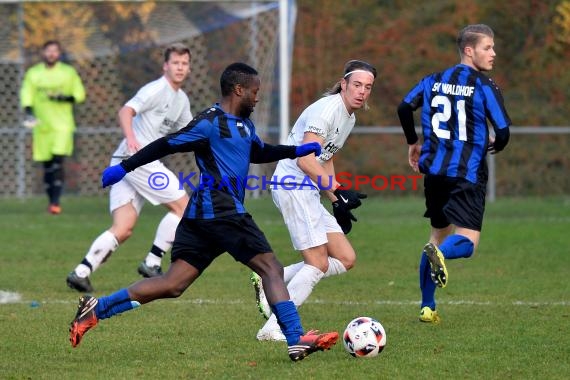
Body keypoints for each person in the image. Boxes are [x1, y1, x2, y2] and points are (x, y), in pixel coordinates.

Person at [68, 62, 339, 361]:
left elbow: (258, 152)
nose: (258, 97)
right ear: (238, 90)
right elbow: (165, 145)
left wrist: (294, 150)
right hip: (220, 208)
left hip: (203, 216)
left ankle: (97, 309)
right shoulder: (210, 122)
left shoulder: (245, 125)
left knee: (173, 284)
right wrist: (124, 167)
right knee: (270, 268)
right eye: (255, 91)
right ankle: (295, 337)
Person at [251, 60, 376, 341]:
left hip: (307, 190)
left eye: (368, 87)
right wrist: (337, 189)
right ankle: (272, 329)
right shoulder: (327, 110)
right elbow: (305, 159)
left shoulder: (349, 117)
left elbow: (326, 157)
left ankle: (273, 278)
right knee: (317, 262)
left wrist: (335, 199)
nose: (362, 92)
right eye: (357, 85)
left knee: (345, 258)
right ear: (343, 84)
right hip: (293, 185)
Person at [396, 24, 511, 323]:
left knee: (436, 236)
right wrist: (495, 142)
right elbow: (503, 130)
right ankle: (443, 255)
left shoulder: (432, 80)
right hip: (466, 173)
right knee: (467, 242)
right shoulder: (484, 86)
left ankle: (427, 306)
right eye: (488, 47)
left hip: (434, 171)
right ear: (469, 50)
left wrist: (413, 143)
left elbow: (403, 106)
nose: (493, 53)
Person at [66, 43, 193, 293]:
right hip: (138, 159)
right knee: (184, 207)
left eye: (184, 63)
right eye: (175, 63)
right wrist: (132, 138)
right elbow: (126, 111)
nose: (180, 67)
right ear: (165, 66)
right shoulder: (156, 89)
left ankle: (81, 272)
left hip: (126, 161)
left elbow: (190, 132)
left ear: (188, 68)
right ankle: (152, 262)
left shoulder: (181, 100)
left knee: (123, 228)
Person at [20, 40, 86, 214]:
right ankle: (52, 202)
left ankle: (56, 202)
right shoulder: (34, 73)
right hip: (42, 126)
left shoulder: (68, 72)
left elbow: (79, 95)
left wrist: (64, 98)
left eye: (55, 51)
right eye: (48, 50)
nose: (51, 54)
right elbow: (26, 93)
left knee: (58, 162)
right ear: (43, 52)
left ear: (59, 53)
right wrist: (28, 111)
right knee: (47, 165)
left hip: (62, 125)